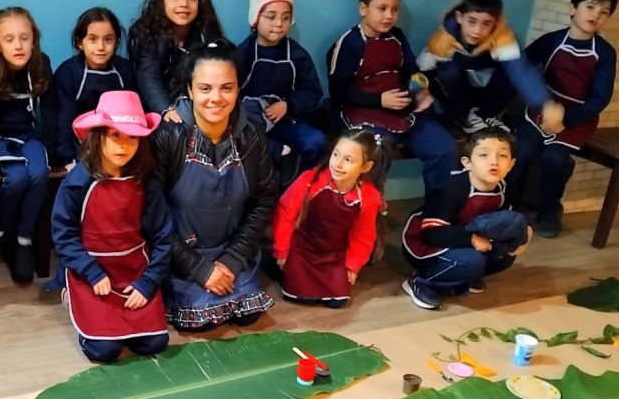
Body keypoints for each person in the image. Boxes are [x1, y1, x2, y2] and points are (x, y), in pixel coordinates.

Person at [152, 40, 276, 330]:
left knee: (249, 316)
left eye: (227, 88)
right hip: (180, 255)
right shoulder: (168, 136)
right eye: (205, 88)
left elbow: (265, 199)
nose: (216, 98)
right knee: (200, 322)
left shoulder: (252, 135)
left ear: (238, 89)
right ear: (189, 90)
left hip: (232, 250)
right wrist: (199, 269)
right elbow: (152, 214)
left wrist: (232, 260)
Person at [51, 91, 172, 362]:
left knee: (154, 343)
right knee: (104, 350)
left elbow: (163, 235)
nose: (123, 145)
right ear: (98, 135)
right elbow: (63, 234)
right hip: (91, 271)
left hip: (134, 270)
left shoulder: (146, 182)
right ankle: (71, 295)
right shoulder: (77, 182)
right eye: (115, 135)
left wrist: (148, 282)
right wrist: (91, 272)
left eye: (132, 137)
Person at [506, 0, 619, 237]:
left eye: (604, 12)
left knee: (555, 160)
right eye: (590, 7)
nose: (596, 15)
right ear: (573, 8)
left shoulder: (605, 53)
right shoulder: (552, 41)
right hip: (541, 109)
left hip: (578, 117)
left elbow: (600, 98)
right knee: (522, 150)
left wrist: (565, 121)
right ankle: (509, 208)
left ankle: (549, 214)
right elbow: (521, 66)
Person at [326, 0, 456, 191]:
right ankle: (367, 207)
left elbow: (412, 72)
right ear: (363, 9)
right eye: (382, 8)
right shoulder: (349, 43)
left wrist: (418, 90)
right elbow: (338, 92)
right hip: (364, 115)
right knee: (373, 155)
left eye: (395, 9)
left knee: (443, 148)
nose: (389, 15)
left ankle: (438, 208)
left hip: (404, 112)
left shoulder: (397, 37)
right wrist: (380, 100)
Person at [402, 128, 532, 310]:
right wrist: (470, 239)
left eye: (502, 156)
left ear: (511, 164)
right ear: (467, 162)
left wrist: (525, 234)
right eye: (484, 155)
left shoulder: (505, 186)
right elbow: (431, 233)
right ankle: (423, 281)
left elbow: (510, 218)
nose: (494, 161)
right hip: (428, 242)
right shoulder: (451, 189)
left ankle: (465, 277)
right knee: (471, 261)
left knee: (506, 252)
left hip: (469, 237)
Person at [272, 129, 386, 308]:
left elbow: (363, 235)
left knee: (337, 301)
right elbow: (285, 214)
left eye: (348, 160)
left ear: (366, 167)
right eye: (336, 155)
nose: (338, 164)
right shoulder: (309, 180)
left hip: (334, 255)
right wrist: (282, 251)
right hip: (302, 249)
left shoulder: (368, 197)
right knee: (301, 296)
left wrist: (352, 265)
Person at [418, 0, 557, 134]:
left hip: (486, 93)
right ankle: (463, 116)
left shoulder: (502, 38)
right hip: (458, 96)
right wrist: (418, 96)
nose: (477, 31)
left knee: (513, 69)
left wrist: (545, 103)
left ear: (495, 23)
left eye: (486, 24)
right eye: (472, 21)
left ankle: (488, 115)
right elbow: (419, 71)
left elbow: (521, 70)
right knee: (448, 70)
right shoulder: (441, 40)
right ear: (459, 17)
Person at [0, 7, 54, 283]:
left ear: (34, 40)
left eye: (24, 38)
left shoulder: (41, 64)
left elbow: (51, 111)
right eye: (9, 39)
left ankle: (24, 237)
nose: (18, 45)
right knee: (17, 177)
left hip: (29, 136)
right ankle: (4, 232)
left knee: (39, 173)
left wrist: (53, 146)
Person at [236, 0, 326, 183]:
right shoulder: (243, 54)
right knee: (248, 144)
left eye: (286, 18)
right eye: (271, 16)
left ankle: (298, 187)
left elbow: (313, 93)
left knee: (316, 142)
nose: (279, 23)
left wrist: (288, 105)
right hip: (252, 124)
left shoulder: (298, 55)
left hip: (287, 121)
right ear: (255, 19)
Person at [128, 0, 225, 119]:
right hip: (156, 110)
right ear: (162, 1)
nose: (184, 3)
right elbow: (148, 76)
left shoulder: (205, 35)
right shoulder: (149, 33)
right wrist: (166, 109)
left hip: (195, 107)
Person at [53, 7, 137, 166]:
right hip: (80, 145)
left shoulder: (125, 70)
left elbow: (133, 116)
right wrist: (67, 158)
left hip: (118, 142)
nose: (101, 47)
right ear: (80, 42)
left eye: (108, 39)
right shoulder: (68, 72)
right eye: (93, 39)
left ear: (116, 42)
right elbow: (64, 119)